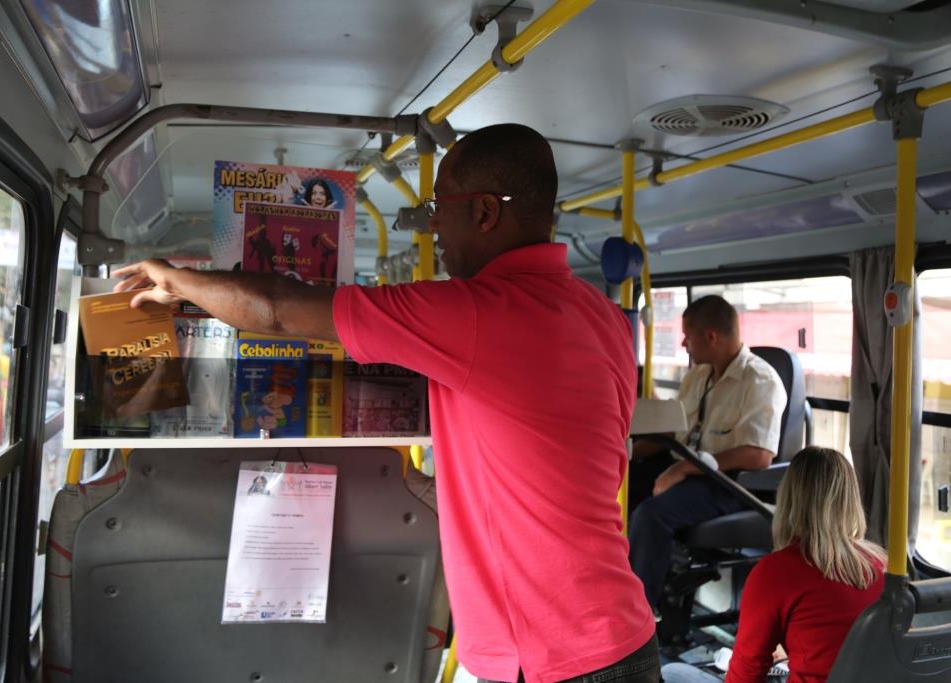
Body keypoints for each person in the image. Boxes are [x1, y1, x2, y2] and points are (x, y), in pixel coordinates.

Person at [112, 124, 658, 683]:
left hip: (552, 656)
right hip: (624, 632)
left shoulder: (475, 314)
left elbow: (277, 310)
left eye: (438, 208)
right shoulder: (603, 316)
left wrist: (176, 280)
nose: (435, 228)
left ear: (487, 213)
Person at [660, 446, 887, 683]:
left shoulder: (776, 571)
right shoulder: (881, 565)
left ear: (789, 499)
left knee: (673, 673)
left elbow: (745, 675)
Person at [628, 295, 786, 609]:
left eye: (688, 335)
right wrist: (624, 453)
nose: (684, 343)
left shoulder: (760, 381)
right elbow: (675, 433)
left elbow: (759, 456)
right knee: (616, 484)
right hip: (689, 467)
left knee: (650, 515)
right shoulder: (698, 377)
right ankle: (612, 585)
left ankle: (638, 614)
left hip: (730, 483)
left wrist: (686, 468)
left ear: (711, 336)